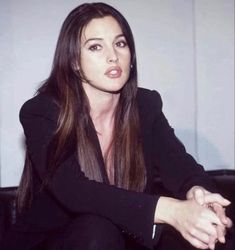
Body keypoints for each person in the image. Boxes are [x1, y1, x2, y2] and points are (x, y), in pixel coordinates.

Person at [0, 2, 232, 250]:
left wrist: (202, 197)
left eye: (120, 44)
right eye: (95, 47)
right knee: (97, 230)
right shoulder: (43, 112)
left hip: (121, 241)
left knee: (208, 235)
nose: (113, 56)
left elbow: (184, 170)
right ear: (74, 62)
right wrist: (170, 210)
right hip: (54, 242)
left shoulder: (145, 105)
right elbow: (74, 192)